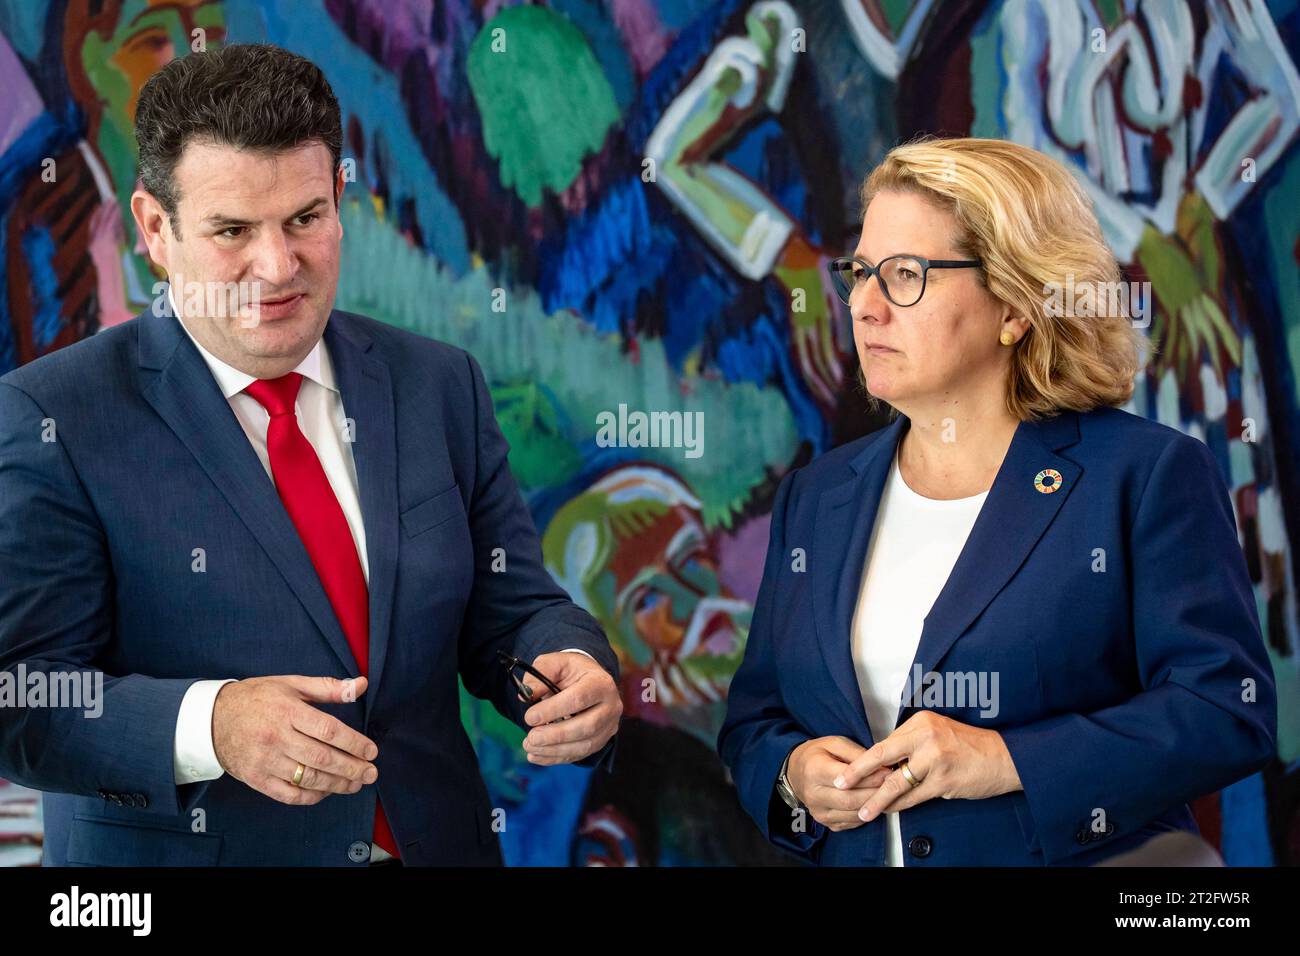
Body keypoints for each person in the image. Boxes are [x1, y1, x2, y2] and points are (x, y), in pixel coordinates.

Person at [0, 43, 621, 866]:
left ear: (337, 196)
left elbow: (509, 611)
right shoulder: (54, 415)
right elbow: (21, 698)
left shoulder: (439, 384)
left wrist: (567, 663)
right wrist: (212, 725)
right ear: (155, 229)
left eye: (304, 218)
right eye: (232, 230)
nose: (278, 266)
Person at [717, 136, 1277, 866]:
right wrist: (794, 778)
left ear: (1014, 306)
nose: (864, 306)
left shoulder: (1144, 474)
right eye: (860, 273)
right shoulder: (818, 497)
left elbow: (1226, 710)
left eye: (906, 275)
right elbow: (754, 722)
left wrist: (1005, 760)